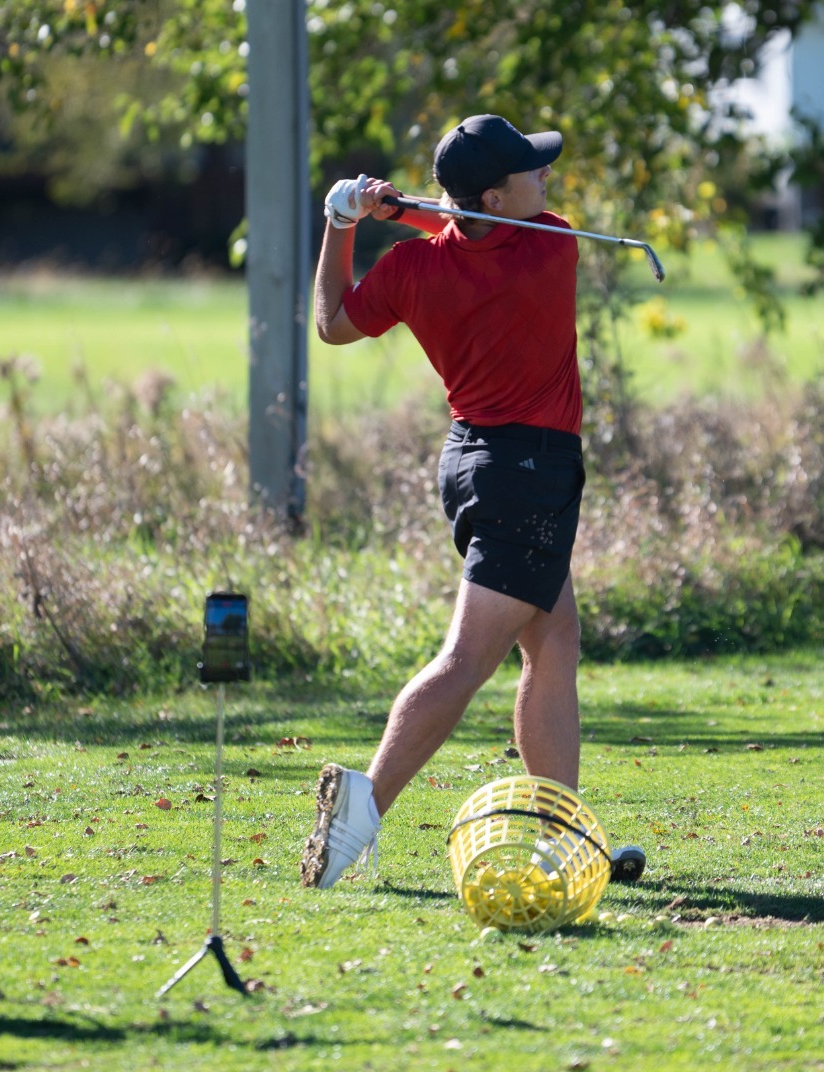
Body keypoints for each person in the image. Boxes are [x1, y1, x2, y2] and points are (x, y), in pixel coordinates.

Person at [301, 115, 588, 888]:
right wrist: (402, 210)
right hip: (528, 472)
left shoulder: (409, 272)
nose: (547, 179)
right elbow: (480, 224)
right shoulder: (549, 243)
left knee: (553, 640)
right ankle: (356, 816)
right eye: (532, 172)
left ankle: (561, 836)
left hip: (472, 462)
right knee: (468, 659)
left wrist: (345, 225)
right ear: (495, 195)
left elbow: (329, 323)